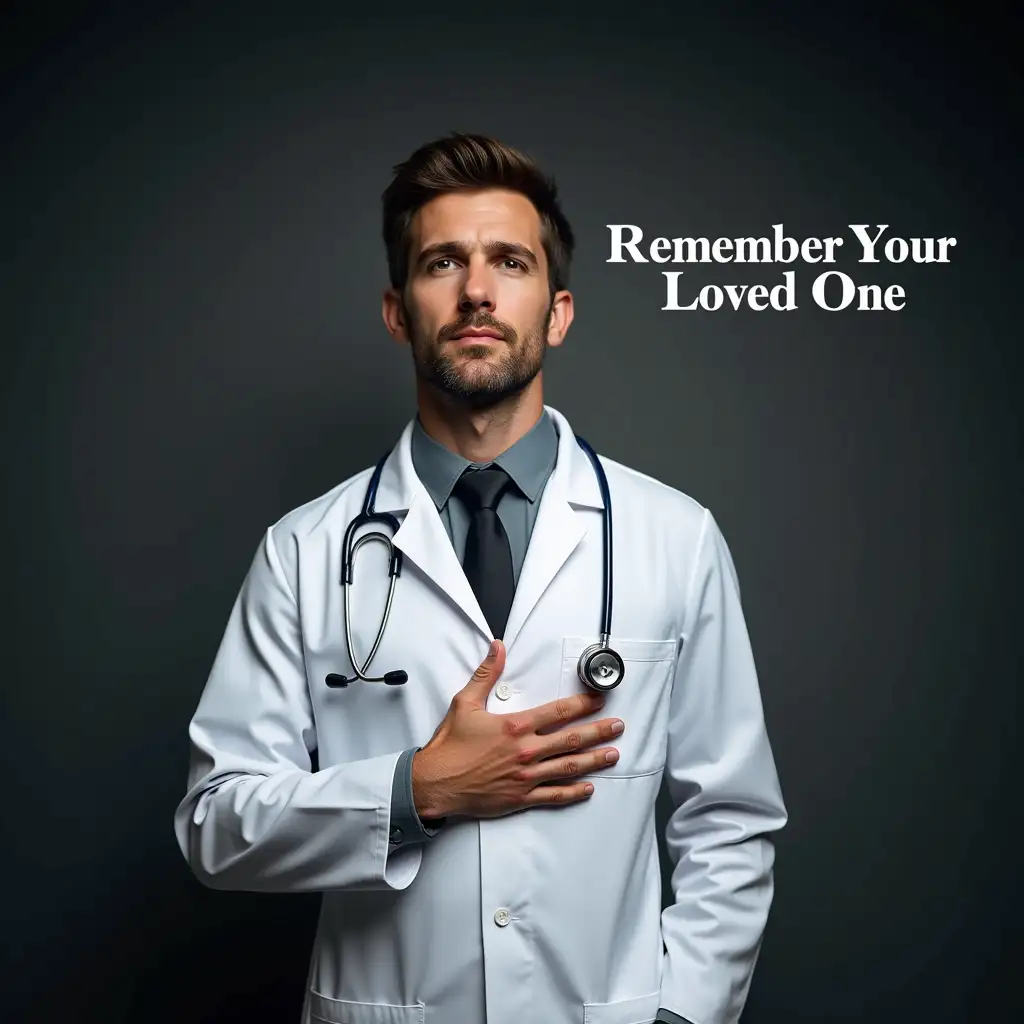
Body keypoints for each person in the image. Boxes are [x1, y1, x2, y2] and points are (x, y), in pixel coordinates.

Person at [173, 133, 788, 1024]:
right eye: (442, 263)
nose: (476, 291)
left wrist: (684, 1015)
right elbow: (216, 826)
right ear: (397, 310)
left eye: (510, 261)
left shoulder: (674, 537)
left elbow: (730, 820)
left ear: (559, 309)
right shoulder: (304, 550)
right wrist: (417, 792)